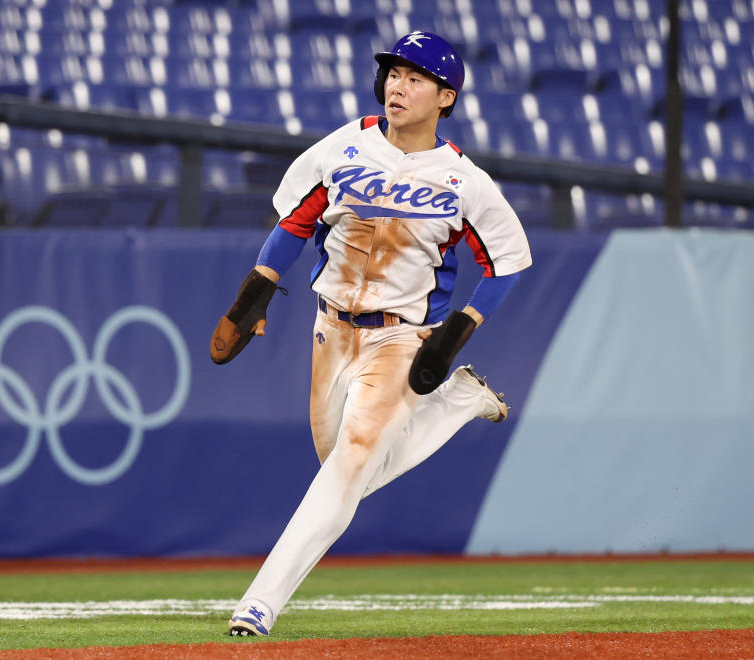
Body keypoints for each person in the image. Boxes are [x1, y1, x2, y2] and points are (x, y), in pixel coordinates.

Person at [211, 30, 532, 637]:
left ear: (446, 97)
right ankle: (459, 401)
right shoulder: (344, 147)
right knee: (341, 467)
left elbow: (508, 262)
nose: (397, 86)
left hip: (401, 338)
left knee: (351, 465)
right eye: (393, 74)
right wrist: (254, 293)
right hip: (329, 329)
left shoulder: (464, 181)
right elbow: (296, 222)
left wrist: (458, 329)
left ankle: (258, 604)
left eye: (415, 78)